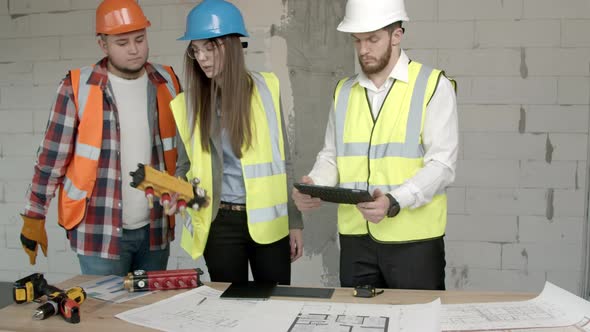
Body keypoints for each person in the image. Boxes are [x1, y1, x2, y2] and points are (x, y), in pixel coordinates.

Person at [292, 0, 458, 290]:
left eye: (372, 39)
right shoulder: (344, 91)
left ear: (397, 35)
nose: (363, 49)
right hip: (356, 241)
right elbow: (332, 155)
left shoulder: (433, 85)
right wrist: (313, 183)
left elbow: (442, 166)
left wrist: (394, 201)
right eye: (357, 40)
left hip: (414, 242)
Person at [19, 0, 182, 276]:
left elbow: (182, 152)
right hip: (99, 231)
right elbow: (50, 159)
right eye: (122, 42)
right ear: (103, 44)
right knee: (104, 317)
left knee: (148, 314)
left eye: (140, 39)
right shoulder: (77, 87)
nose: (134, 49)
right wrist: (34, 215)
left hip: (155, 230)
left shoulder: (166, 81)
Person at [169, 0, 303, 285]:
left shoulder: (267, 88)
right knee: (230, 309)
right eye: (196, 50)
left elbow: (284, 161)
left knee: (276, 306)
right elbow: (183, 168)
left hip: (269, 224)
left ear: (230, 45)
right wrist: (178, 194)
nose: (202, 58)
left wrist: (294, 221)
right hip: (219, 225)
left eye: (210, 47)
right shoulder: (186, 106)